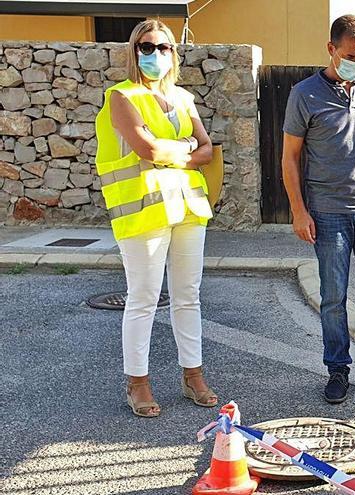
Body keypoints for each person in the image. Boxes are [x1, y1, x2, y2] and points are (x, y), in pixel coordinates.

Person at [95, 19, 218, 417]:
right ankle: (138, 384)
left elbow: (208, 149)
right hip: (143, 211)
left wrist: (174, 149)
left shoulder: (182, 97)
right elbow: (146, 149)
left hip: (187, 208)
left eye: (162, 47)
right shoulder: (121, 96)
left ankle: (193, 375)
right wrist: (182, 148)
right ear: (134, 52)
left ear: (173, 53)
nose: (154, 54)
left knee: (189, 296)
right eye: (146, 47)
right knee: (143, 298)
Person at [281, 15, 355, 404]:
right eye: (350, 55)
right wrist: (299, 211)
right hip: (328, 212)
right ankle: (338, 370)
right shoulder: (304, 94)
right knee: (333, 298)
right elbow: (289, 158)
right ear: (331, 49)